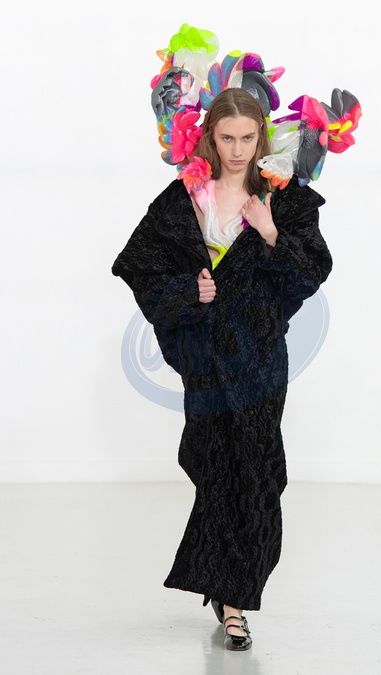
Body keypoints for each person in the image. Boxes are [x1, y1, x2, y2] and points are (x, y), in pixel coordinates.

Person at [111, 87, 333, 651]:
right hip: (206, 357)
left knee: (257, 469)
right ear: (210, 135)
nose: (237, 150)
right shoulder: (185, 196)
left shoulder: (283, 197)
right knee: (216, 466)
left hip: (259, 354)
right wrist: (189, 291)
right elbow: (137, 264)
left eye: (248, 138)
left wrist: (270, 231)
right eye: (227, 137)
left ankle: (234, 597)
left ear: (262, 137)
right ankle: (226, 589)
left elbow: (311, 274)